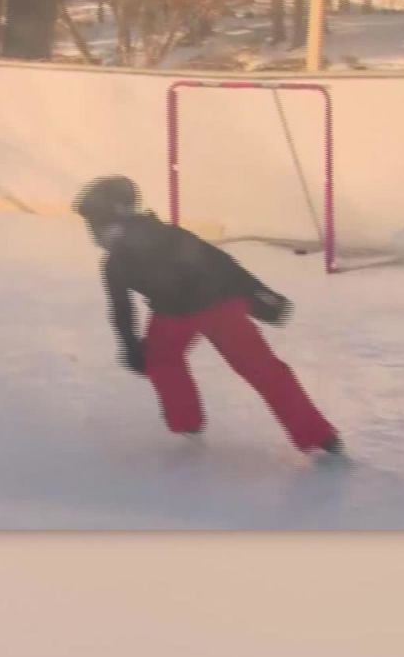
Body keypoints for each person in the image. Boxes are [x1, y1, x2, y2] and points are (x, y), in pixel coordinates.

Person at [74, 175, 343, 455]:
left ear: (122, 215)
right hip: (172, 313)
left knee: (261, 369)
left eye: (99, 226)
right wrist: (130, 344)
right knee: (160, 357)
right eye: (92, 228)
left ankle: (318, 435)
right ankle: (186, 422)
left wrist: (260, 296)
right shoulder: (115, 263)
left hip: (217, 307)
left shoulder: (169, 238)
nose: (96, 234)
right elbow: (121, 307)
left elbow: (222, 266)